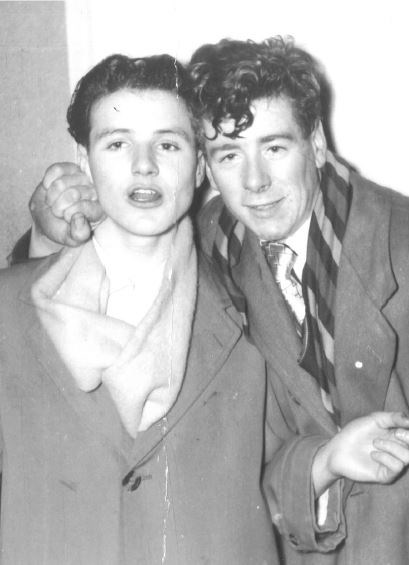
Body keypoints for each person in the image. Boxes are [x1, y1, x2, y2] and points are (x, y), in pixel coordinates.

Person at [13, 39, 409, 565]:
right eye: (229, 154)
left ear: (315, 143)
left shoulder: (397, 243)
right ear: (207, 167)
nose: (255, 182)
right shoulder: (217, 240)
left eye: (274, 148)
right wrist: (47, 235)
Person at [0, 53, 282, 564]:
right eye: (117, 143)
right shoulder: (8, 308)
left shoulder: (250, 316)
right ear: (84, 160)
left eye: (168, 144)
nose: (144, 165)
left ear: (200, 165)